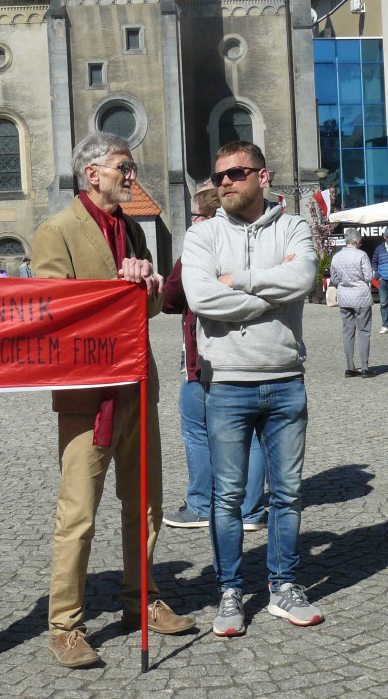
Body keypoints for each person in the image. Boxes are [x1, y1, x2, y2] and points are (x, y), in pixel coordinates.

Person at [32, 133, 193, 668]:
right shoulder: (56, 232)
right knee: (78, 513)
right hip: (88, 396)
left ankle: (140, 601)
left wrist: (144, 286)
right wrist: (119, 285)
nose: (132, 175)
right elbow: (53, 314)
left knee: (145, 505)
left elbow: (142, 310)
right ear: (92, 173)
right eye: (124, 167)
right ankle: (66, 625)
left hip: (136, 385)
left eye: (133, 166)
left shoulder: (130, 229)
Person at [182, 140, 322, 636]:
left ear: (262, 177)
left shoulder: (294, 225)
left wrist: (236, 280)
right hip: (227, 384)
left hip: (285, 380)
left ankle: (284, 584)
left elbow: (303, 277)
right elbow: (201, 298)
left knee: (286, 494)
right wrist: (268, 299)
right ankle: (229, 591)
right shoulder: (201, 236)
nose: (225, 182)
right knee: (227, 498)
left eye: (237, 173)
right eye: (220, 175)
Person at [162, 184, 268, 532]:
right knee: (251, 436)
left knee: (197, 432)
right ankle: (251, 510)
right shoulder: (254, 245)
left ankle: (201, 505)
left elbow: (171, 297)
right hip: (254, 356)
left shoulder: (198, 248)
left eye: (195, 214)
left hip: (205, 361)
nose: (191, 220)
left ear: (207, 217)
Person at [330, 227, 375, 378]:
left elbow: (334, 279)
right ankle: (365, 367)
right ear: (358, 240)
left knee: (347, 332)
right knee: (364, 332)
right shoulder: (361, 255)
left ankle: (350, 367)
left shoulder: (336, 257)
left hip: (344, 297)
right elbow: (369, 277)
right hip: (361, 296)